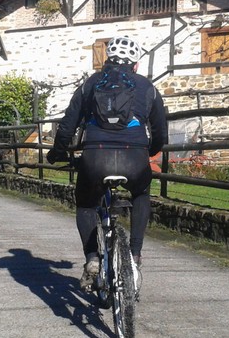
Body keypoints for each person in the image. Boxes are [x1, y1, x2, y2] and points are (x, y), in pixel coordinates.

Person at [46, 35, 168, 293]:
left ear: (107, 61)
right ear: (135, 64)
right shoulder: (147, 87)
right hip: (135, 159)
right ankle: (134, 255)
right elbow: (160, 132)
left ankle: (92, 258)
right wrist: (152, 151)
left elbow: (68, 124)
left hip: (95, 158)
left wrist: (56, 153)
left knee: (86, 204)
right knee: (142, 194)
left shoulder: (90, 84)